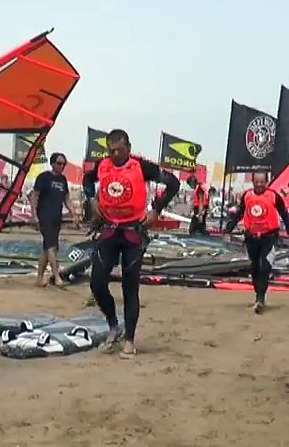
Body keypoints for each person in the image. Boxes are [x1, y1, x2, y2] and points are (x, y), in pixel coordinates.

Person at [82, 129, 180, 358]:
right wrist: (92, 199)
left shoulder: (141, 166)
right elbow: (87, 179)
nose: (115, 155)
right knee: (97, 283)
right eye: (111, 150)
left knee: (129, 287)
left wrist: (156, 209)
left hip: (132, 233)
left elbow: (173, 183)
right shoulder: (102, 165)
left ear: (128, 147)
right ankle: (113, 326)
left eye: (120, 150)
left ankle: (129, 340)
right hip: (108, 230)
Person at [239, 171, 289, 313]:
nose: (259, 185)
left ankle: (260, 298)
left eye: (261, 182)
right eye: (256, 182)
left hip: (268, 237)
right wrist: (228, 229)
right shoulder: (247, 196)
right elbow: (239, 212)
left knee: (265, 266)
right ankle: (258, 293)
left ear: (267, 182)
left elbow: (284, 214)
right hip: (251, 238)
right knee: (254, 267)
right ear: (252, 182)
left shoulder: (274, 196)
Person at [30, 152, 74, 286]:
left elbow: (66, 198)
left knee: (47, 248)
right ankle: (56, 276)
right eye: (59, 163)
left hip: (56, 217)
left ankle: (39, 278)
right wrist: (34, 216)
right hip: (45, 216)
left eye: (64, 164)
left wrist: (73, 212)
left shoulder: (63, 180)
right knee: (51, 247)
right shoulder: (43, 177)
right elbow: (34, 196)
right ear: (53, 163)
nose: (62, 166)